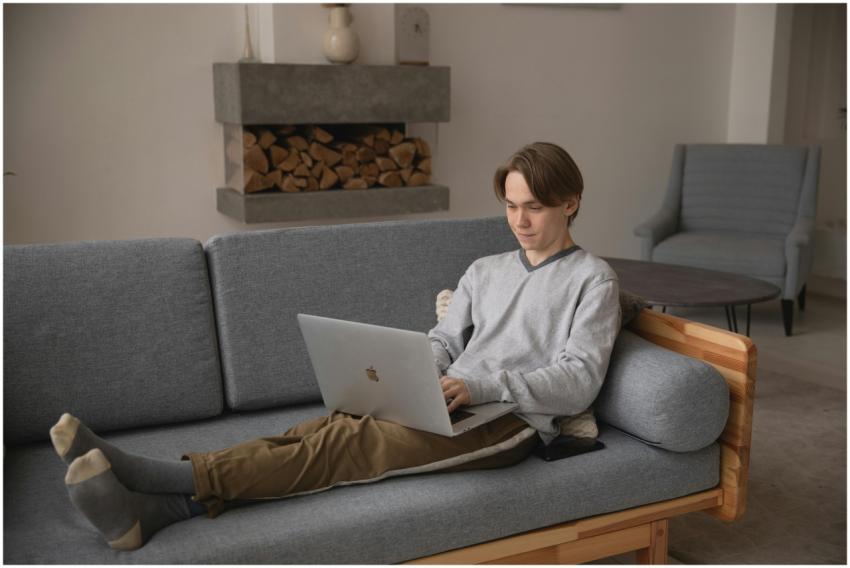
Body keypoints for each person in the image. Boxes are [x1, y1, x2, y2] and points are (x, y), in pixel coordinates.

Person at [50, 141, 621, 551]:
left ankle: (152, 475)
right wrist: (417, 371)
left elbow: (579, 380)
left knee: (349, 443)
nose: (519, 220)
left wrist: (479, 385)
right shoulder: (485, 269)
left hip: (509, 422)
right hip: (448, 399)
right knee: (318, 430)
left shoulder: (592, 280)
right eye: (511, 205)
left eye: (534, 207)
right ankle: (156, 513)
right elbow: (446, 339)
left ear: (570, 202)